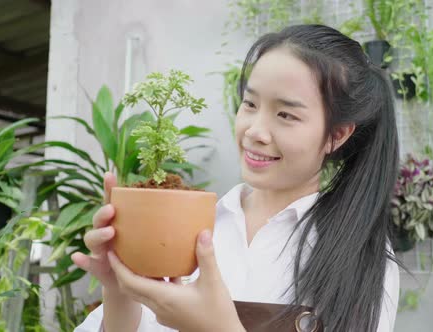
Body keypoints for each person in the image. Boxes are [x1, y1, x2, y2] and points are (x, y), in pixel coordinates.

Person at [73, 24, 401, 332]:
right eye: (250, 103)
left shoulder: (361, 259)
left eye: (286, 114)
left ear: (337, 134)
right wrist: (119, 293)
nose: (255, 131)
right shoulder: (185, 228)